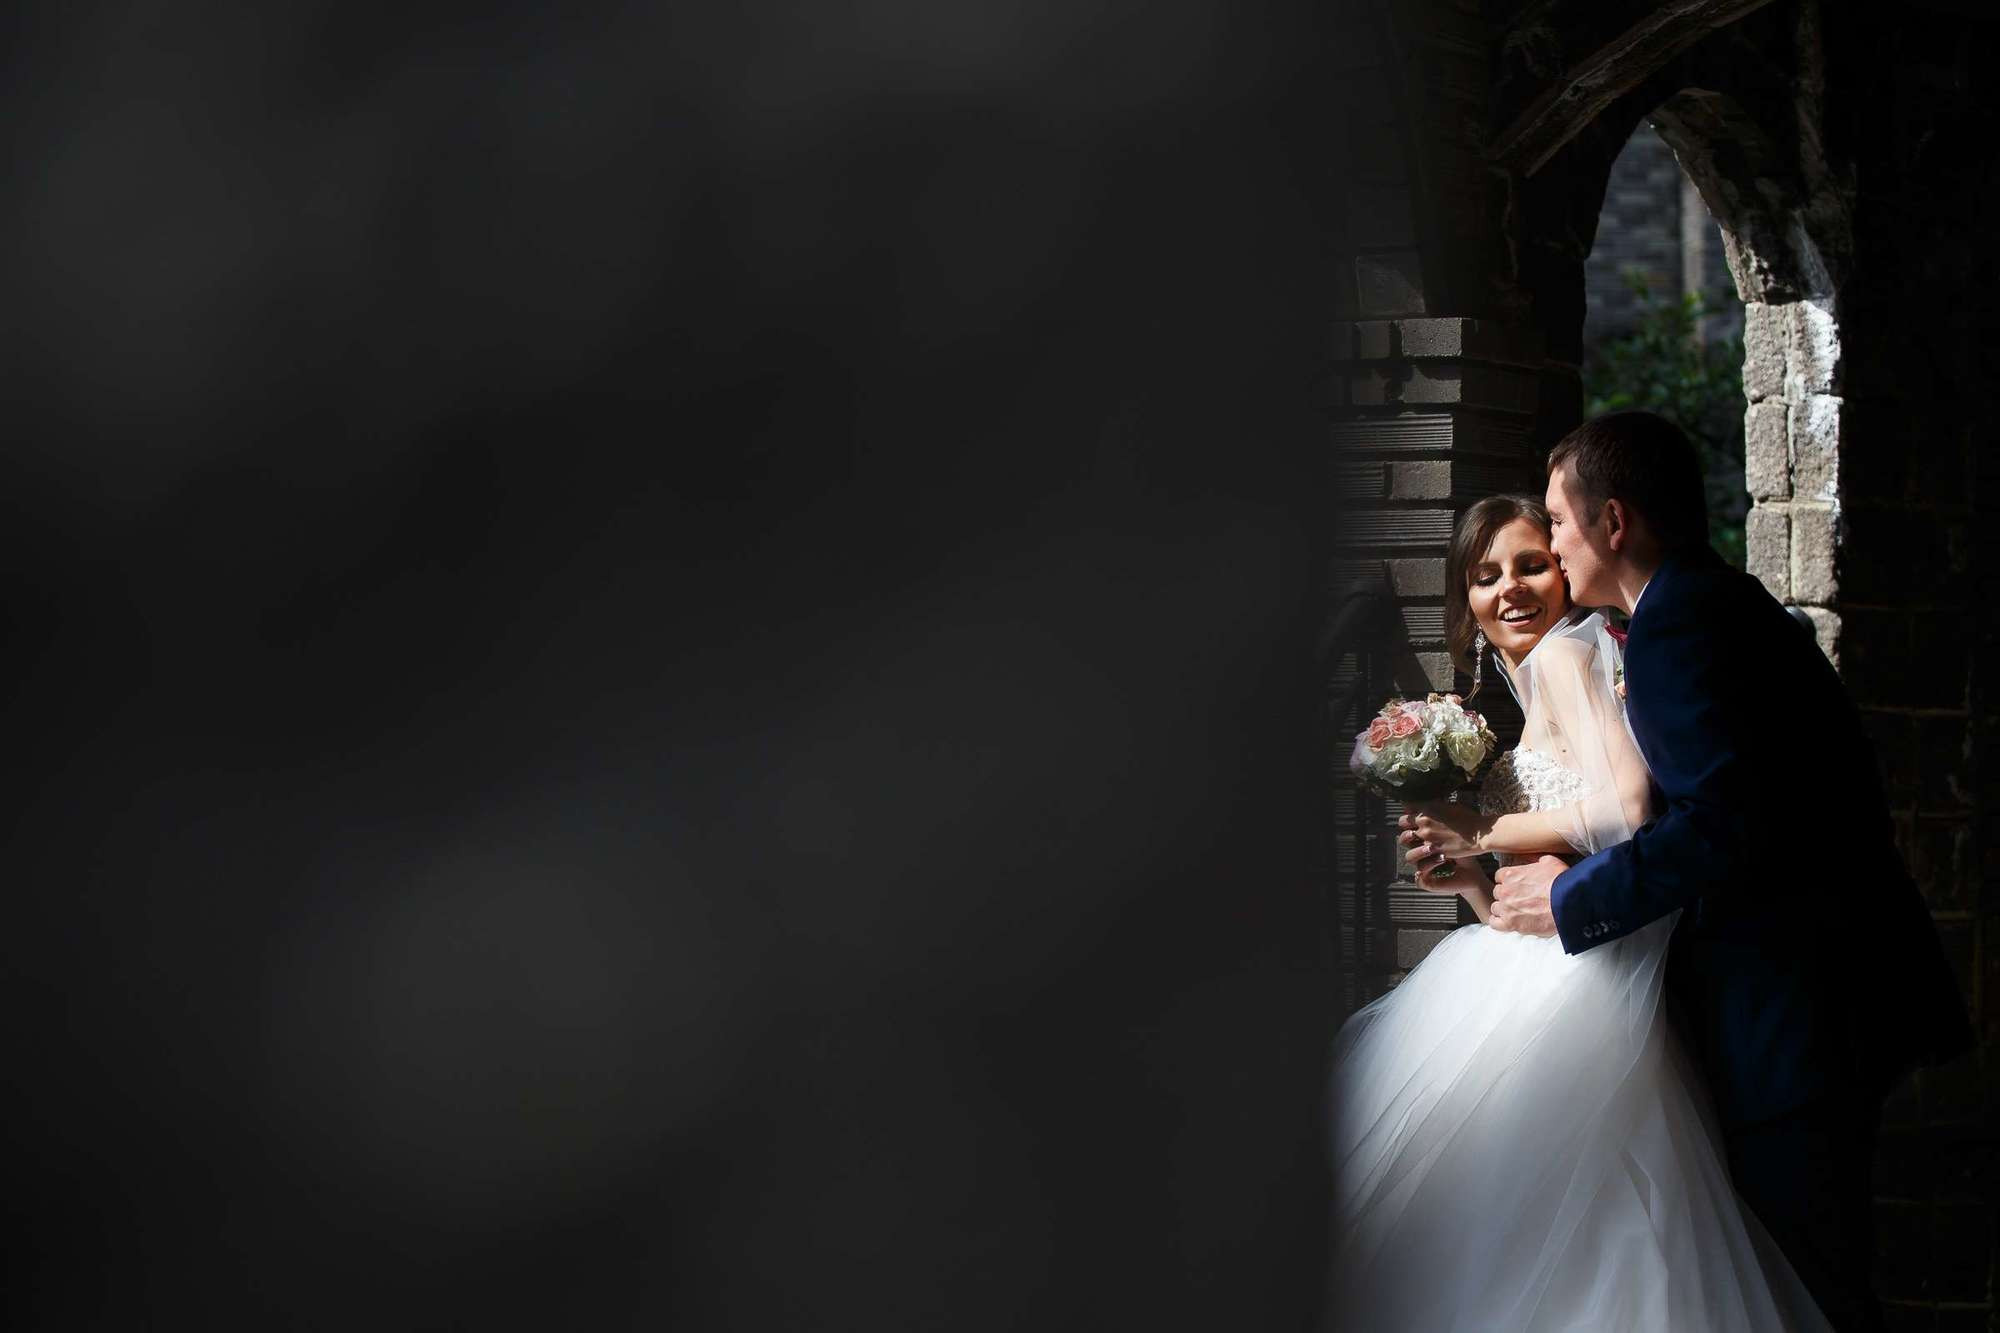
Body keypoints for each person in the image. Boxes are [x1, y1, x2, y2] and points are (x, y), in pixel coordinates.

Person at [1469, 411, 1974, 1330]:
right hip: (1817, 994)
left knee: (1807, 1281)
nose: (1551, 542)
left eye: (1559, 520)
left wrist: (1571, 894)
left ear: (1613, 522)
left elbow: (1719, 825)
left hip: (1799, 1009)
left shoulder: (1681, 627)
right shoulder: (1705, 605)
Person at [1327, 493, 1830, 1331]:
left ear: (1565, 573)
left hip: (1583, 985)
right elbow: (1538, 897)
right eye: (1485, 576)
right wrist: (1472, 880)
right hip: (1539, 960)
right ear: (1467, 603)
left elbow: (1628, 810)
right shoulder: (1528, 697)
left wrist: (1478, 826)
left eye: (1532, 562)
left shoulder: (1570, 656)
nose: (1511, 589)